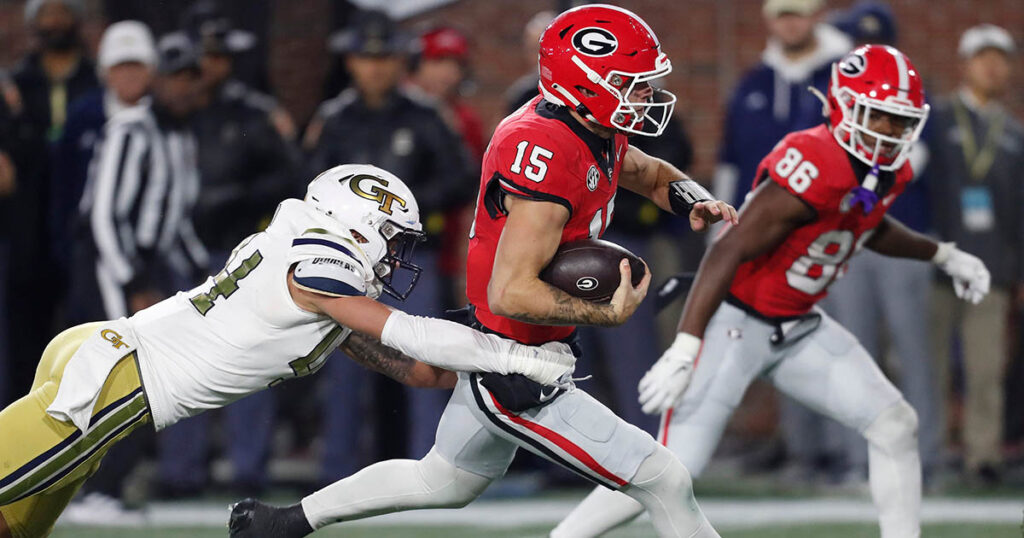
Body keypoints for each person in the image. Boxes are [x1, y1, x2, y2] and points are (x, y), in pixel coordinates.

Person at [229, 6, 735, 538]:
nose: (644, 97)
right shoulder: (548, 146)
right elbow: (511, 291)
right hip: (515, 365)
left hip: (525, 349)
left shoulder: (588, 126)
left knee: (442, 481)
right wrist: (600, 313)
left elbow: (645, 170)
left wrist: (690, 198)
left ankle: (284, 524)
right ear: (586, 83)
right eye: (630, 84)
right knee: (664, 478)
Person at [0, 163, 574, 538]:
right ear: (359, 223)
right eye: (394, 240)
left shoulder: (317, 279)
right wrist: (510, 355)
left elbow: (418, 369)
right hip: (116, 381)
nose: (397, 259)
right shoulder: (320, 261)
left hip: (111, 366)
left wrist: (488, 378)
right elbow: (410, 332)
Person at [554, 45, 990, 538]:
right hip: (734, 323)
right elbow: (727, 250)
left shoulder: (885, 168)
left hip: (799, 325)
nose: (892, 133)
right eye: (882, 118)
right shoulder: (816, 161)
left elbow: (866, 225)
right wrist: (687, 345)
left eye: (901, 121)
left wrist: (943, 255)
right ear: (846, 106)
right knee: (671, 469)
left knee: (895, 423)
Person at [306, 9, 476, 474]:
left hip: (407, 260)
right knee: (342, 367)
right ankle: (336, 470)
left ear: (400, 61)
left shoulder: (425, 116)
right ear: (351, 62)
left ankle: (436, 463)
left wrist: (402, 211)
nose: (375, 67)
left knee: (423, 359)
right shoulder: (335, 119)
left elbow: (461, 178)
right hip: (344, 263)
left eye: (384, 57)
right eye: (365, 57)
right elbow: (308, 184)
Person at [153, 13, 303, 499]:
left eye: (220, 57)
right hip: (176, 249)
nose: (211, 66)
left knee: (246, 356)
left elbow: (288, 180)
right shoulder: (171, 112)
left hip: (240, 252)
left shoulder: (253, 113)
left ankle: (247, 468)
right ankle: (180, 470)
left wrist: (237, 195)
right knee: (177, 359)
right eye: (205, 56)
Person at [925, 24, 1022, 485]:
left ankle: (983, 456)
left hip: (992, 270)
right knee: (930, 364)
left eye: (1000, 58)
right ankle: (932, 449)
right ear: (964, 64)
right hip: (937, 264)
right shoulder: (936, 121)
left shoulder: (1014, 133)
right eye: (983, 56)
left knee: (986, 369)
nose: (992, 65)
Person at [6, 0, 100, 402]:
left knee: (89, 333)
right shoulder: (16, 85)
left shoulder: (97, 81)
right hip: (26, 229)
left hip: (84, 226)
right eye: (46, 14)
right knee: (24, 333)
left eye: (62, 13)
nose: (55, 22)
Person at [51, 21, 157, 301]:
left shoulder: (164, 118)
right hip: (92, 252)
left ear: (151, 70)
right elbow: (62, 184)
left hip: (147, 251)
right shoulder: (82, 115)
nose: (128, 75)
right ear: (105, 72)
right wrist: (66, 248)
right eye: (119, 66)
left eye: (136, 65)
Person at [712, 0, 851, 209]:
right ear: (769, 20)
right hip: (754, 218)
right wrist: (717, 218)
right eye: (782, 16)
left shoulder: (842, 81)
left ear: (817, 16)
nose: (790, 24)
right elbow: (729, 159)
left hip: (823, 218)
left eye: (798, 14)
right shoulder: (751, 85)